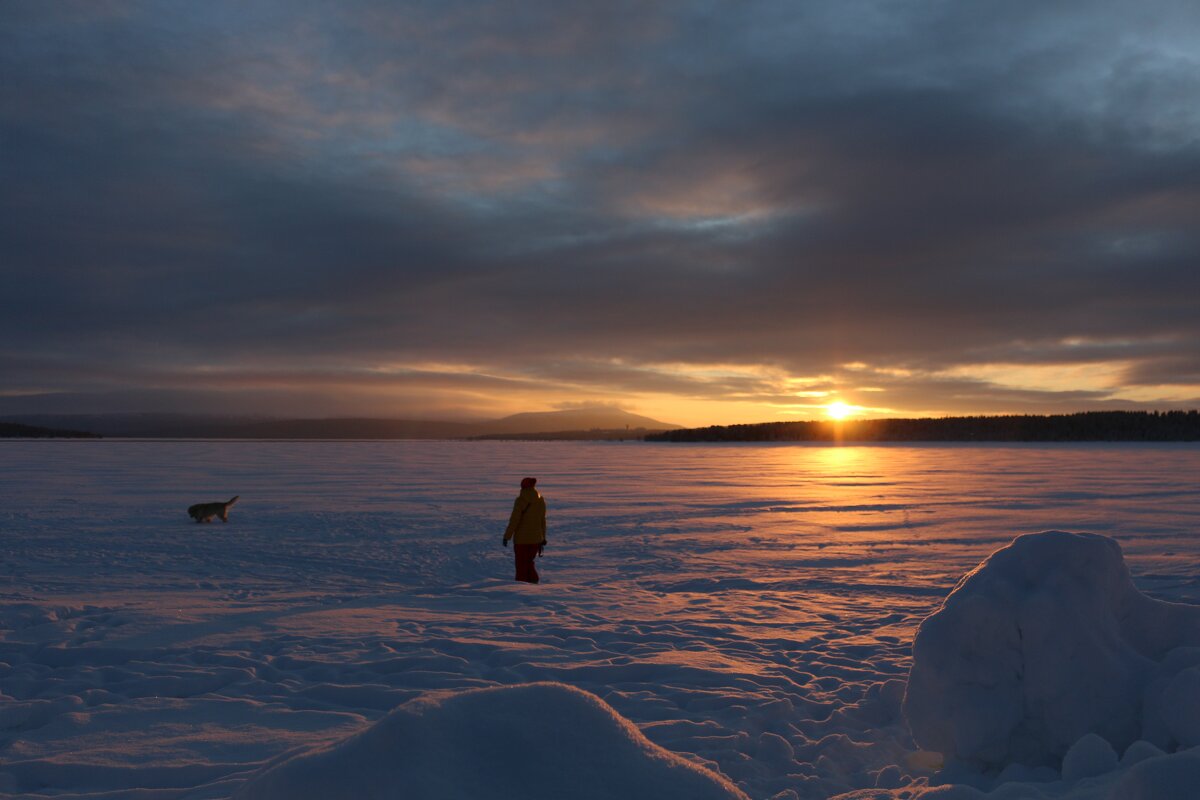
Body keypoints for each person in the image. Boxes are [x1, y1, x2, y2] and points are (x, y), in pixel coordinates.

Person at [503, 476, 547, 583]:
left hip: (521, 541)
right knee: (529, 562)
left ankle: (522, 588)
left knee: (521, 565)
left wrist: (507, 536)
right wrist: (543, 538)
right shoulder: (540, 500)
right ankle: (533, 584)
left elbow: (514, 520)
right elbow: (542, 521)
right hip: (536, 540)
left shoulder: (521, 500)